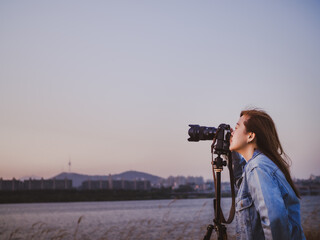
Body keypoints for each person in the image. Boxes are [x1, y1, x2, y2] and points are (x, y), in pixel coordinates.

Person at [229, 108, 305, 240]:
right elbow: (243, 186)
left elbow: (274, 220)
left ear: (250, 136)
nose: (232, 133)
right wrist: (233, 155)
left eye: (236, 128)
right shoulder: (258, 166)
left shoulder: (258, 167)